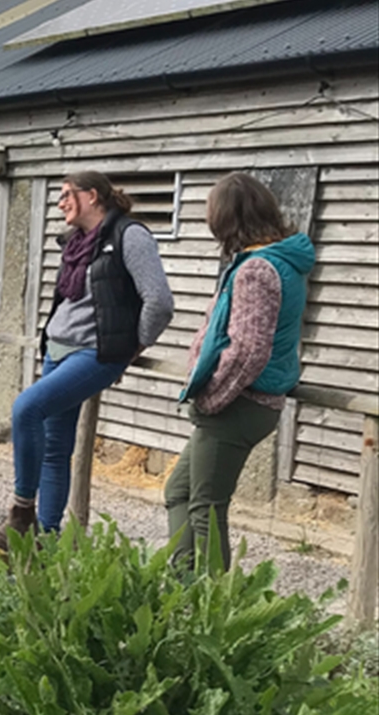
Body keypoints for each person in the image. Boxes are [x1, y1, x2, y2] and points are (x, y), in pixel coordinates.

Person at [0, 171, 174, 549]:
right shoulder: (76, 242)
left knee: (26, 408)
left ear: (92, 196)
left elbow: (160, 302)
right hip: (57, 348)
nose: (60, 203)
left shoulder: (130, 236)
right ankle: (48, 541)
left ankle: (21, 514)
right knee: (56, 448)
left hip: (95, 352)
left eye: (67, 195)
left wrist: (133, 347)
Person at [167, 173, 315, 570]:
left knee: (207, 509)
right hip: (248, 404)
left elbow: (247, 351)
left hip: (238, 405)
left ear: (227, 218)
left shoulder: (258, 270)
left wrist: (210, 399)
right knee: (179, 492)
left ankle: (211, 609)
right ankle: (183, 590)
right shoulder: (281, 262)